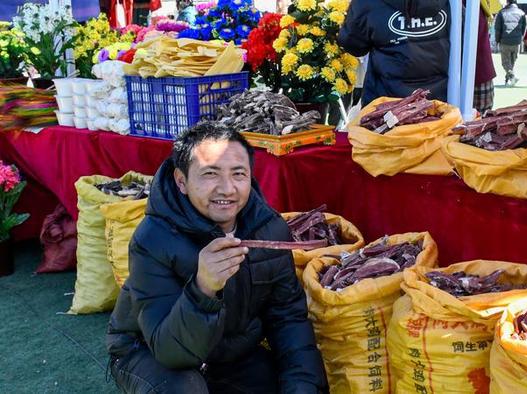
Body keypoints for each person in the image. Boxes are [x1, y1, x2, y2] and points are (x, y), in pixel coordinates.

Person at [106, 122, 328, 393]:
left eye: (238, 174)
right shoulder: (152, 239)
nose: (227, 189)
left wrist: (301, 387)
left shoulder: (269, 229)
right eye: (210, 174)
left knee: (297, 382)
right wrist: (203, 289)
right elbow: (170, 352)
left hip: (226, 353)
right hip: (149, 351)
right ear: (181, 181)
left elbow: (288, 319)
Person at [338, 0, 451, 105]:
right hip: (440, 108)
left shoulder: (367, 3)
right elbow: (464, 43)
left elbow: (352, 45)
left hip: (384, 110)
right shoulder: (452, 4)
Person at [495, 0, 527, 86]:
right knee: (512, 63)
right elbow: (524, 28)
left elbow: (497, 29)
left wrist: (497, 40)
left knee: (505, 63)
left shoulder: (501, 13)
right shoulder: (522, 13)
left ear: (507, 2)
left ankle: (512, 77)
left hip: (504, 41)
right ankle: (508, 80)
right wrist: (521, 38)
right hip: (516, 42)